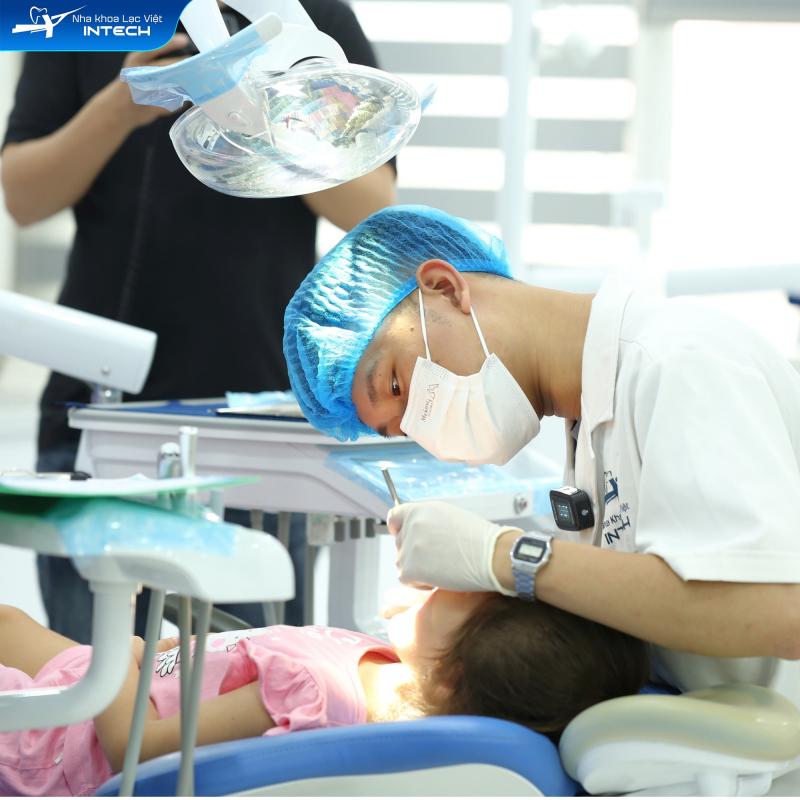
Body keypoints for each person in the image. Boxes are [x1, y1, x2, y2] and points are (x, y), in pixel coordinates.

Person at [282, 205, 800, 708]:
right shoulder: (590, 423)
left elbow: (779, 612)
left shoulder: (677, 362)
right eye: (401, 427)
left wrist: (506, 557)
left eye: (396, 384)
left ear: (445, 287)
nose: (422, 423)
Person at [0, 2, 396, 641]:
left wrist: (263, 104)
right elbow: (22, 196)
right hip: (97, 417)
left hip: (264, 430)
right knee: (95, 679)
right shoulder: (82, 15)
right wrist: (120, 107)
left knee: (254, 677)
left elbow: (371, 202)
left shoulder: (310, 16)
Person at [0, 592, 647, 796]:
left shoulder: (315, 695)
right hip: (111, 680)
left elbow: (131, 751)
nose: (444, 582)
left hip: (65, 741)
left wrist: (121, 643)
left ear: (449, 675)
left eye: (464, 597)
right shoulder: (380, 661)